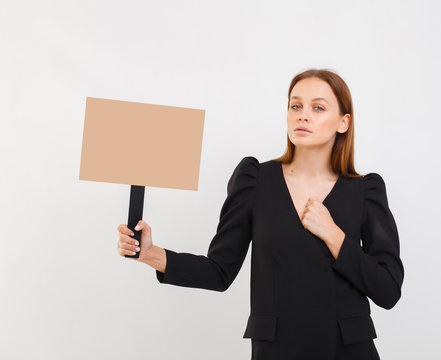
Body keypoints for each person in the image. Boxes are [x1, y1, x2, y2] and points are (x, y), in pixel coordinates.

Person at [117, 68, 405, 360]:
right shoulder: (255, 180)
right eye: (296, 106)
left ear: (343, 123)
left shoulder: (365, 191)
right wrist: (150, 253)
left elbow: (388, 290)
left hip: (347, 351)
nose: (303, 115)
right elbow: (219, 272)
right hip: (278, 350)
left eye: (318, 107)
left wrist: (334, 235)